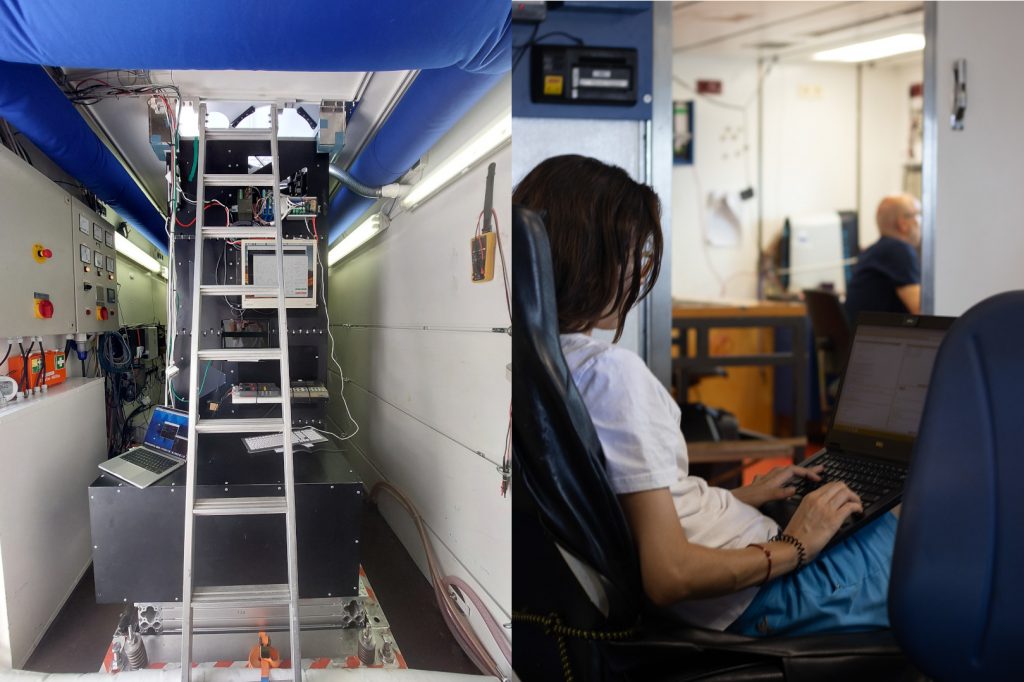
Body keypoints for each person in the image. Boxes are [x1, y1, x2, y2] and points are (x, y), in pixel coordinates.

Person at [514, 155, 897, 636]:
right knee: (921, 527)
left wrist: (736, 499)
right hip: (773, 592)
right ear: (591, 257)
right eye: (633, 253)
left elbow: (619, 514)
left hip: (746, 561)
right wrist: (797, 544)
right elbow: (669, 575)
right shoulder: (612, 375)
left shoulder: (543, 365)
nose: (639, 271)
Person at [844, 194, 922, 323]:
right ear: (903, 224)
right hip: (882, 339)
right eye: (918, 214)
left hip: (864, 337)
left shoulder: (873, 251)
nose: (921, 221)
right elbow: (920, 309)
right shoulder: (898, 251)